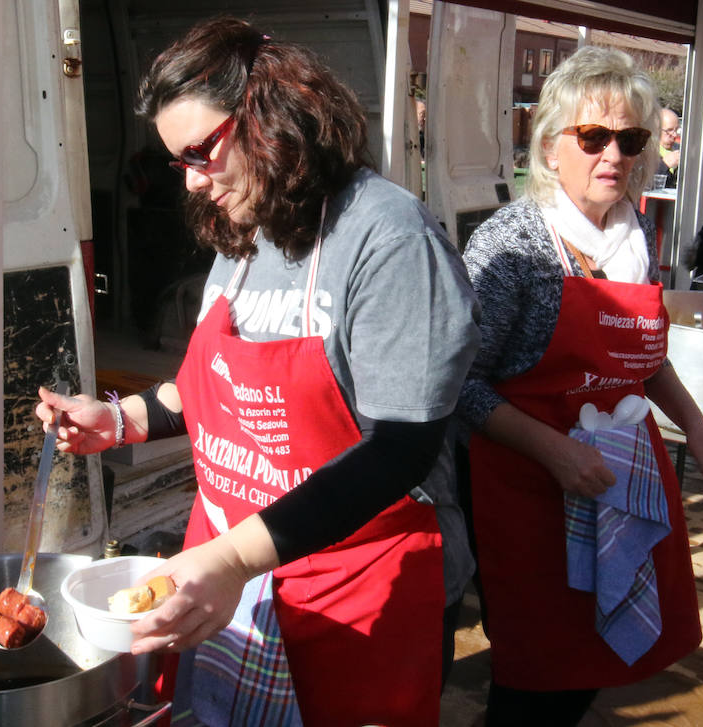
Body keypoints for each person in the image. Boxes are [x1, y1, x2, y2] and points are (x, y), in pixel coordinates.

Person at [36, 17, 481, 727]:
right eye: (178, 161)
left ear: (272, 115)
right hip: (241, 577)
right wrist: (117, 420)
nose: (190, 182)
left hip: (359, 585)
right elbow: (208, 392)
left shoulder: (388, 237)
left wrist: (233, 558)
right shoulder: (249, 231)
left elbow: (401, 451)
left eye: (199, 153)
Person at [455, 46, 703, 727]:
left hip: (615, 481)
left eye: (629, 138)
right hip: (528, 495)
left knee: (592, 668)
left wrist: (694, 424)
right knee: (537, 680)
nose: (613, 153)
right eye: (593, 136)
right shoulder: (511, 247)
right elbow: (455, 384)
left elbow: (644, 355)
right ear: (551, 147)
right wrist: (554, 451)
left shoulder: (634, 239)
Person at [656, 108, 680, 187]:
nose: (674, 135)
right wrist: (664, 165)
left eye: (676, 130)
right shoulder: (644, 152)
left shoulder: (679, 150)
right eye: (669, 130)